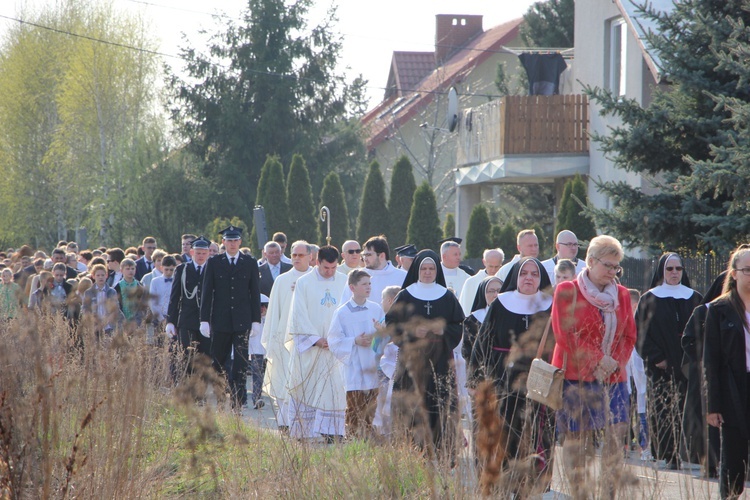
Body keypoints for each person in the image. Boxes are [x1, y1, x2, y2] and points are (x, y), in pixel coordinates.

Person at [551, 235, 636, 499]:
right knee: (579, 443)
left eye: (616, 267)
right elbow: (565, 334)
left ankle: (608, 494)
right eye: (607, 266)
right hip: (576, 378)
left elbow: (629, 336)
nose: (612, 272)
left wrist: (612, 363)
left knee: (616, 436)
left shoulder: (621, 295)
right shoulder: (567, 290)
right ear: (589, 261)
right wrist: (598, 359)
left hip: (614, 378)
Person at [468, 258, 554, 491]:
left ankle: (532, 482)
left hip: (538, 378)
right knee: (502, 428)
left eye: (534, 274)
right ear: (516, 276)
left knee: (535, 428)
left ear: (541, 278)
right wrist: (475, 378)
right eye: (524, 273)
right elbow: (483, 341)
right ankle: (500, 480)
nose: (528, 277)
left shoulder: (550, 304)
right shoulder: (502, 302)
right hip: (501, 376)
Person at [385, 249, 464, 463]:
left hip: (440, 361)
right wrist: (411, 332)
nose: (428, 272)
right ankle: (410, 454)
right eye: (423, 268)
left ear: (437, 270)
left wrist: (443, 331)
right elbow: (391, 324)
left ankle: (442, 455)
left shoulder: (447, 296)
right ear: (417, 270)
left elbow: (458, 325)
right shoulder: (406, 294)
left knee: (440, 405)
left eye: (431, 268)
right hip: (411, 360)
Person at [636, 252, 702, 469]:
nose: (674, 273)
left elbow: (703, 330)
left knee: (688, 409)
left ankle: (689, 454)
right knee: (664, 410)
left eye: (678, 269)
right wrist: (657, 358)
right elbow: (640, 333)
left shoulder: (694, 297)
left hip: (688, 367)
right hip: (661, 368)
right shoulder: (649, 298)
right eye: (670, 269)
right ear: (662, 271)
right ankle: (667, 454)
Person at [285, 245, 348, 441]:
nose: (329, 272)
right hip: (311, 348)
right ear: (317, 262)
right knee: (307, 387)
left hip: (335, 349)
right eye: (325, 268)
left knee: (334, 388)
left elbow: (347, 311)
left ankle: (333, 431)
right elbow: (298, 314)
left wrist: (338, 338)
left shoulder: (345, 281)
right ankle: (304, 432)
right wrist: (315, 339)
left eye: (333, 268)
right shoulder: (304, 283)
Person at [705, 246, 750, 499]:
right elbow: (710, 360)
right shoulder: (719, 309)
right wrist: (713, 405)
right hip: (734, 386)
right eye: (747, 270)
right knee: (733, 455)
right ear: (734, 274)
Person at [200, 225, 262, 409]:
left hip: (242, 320)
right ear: (223, 242)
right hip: (220, 320)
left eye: (235, 240)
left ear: (240, 242)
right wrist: (204, 319)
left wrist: (256, 320)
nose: (233, 244)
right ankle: (220, 397)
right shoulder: (214, 262)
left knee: (241, 364)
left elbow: (254, 293)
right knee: (218, 361)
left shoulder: (249, 262)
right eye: (229, 240)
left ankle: (238, 400)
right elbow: (207, 292)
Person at [261, 240, 314, 432]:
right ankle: (284, 421)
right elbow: (275, 311)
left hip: (310, 340)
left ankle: (309, 424)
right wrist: (273, 338)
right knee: (283, 379)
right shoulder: (282, 280)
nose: (297, 258)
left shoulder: (315, 278)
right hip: (284, 339)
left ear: (310, 256)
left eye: (301, 255)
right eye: (294, 255)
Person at [328, 269, 383, 437]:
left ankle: (368, 440)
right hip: (353, 367)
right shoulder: (342, 312)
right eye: (364, 284)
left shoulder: (375, 308)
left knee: (371, 408)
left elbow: (384, 338)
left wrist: (378, 335)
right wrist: (354, 341)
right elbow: (334, 340)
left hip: (371, 365)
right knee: (354, 408)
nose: (368, 287)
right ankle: (353, 440)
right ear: (352, 287)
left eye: (369, 283)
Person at [682, 271, 726, 478]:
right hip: (708, 375)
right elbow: (688, 341)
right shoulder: (702, 312)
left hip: (735, 375)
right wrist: (707, 359)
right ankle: (711, 463)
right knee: (710, 420)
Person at [167, 237, 212, 383]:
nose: (201, 256)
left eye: (204, 253)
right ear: (192, 252)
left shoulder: (212, 269)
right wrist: (170, 321)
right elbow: (175, 296)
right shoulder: (182, 269)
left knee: (205, 357)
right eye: (198, 253)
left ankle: (201, 390)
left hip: (207, 320)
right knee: (187, 356)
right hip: (187, 320)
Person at [342, 236, 406, 308]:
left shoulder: (403, 276)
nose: (365, 259)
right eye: (364, 255)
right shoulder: (356, 276)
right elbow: (345, 304)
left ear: (382, 256)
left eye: (368, 255)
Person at [461, 276, 503, 384]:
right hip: (481, 372)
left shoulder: (512, 315)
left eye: (499, 290)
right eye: (491, 291)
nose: (495, 295)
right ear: (483, 294)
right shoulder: (473, 319)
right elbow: (467, 350)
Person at [459, 248, 504, 315]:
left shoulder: (505, 280)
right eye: (490, 266)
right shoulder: (471, 282)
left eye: (497, 267)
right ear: (484, 262)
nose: (493, 270)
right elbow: (465, 308)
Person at [248, 294, 270, 409]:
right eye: (259, 306)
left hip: (266, 350)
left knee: (262, 374)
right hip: (253, 349)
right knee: (256, 372)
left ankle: (259, 397)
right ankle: (256, 398)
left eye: (264, 306)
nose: (262, 309)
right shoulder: (251, 319)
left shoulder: (270, 319)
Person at [114, 258, 145, 325]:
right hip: (123, 319)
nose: (130, 271)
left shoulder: (139, 285)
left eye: (132, 269)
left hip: (137, 320)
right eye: (127, 269)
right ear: (121, 270)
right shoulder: (118, 286)